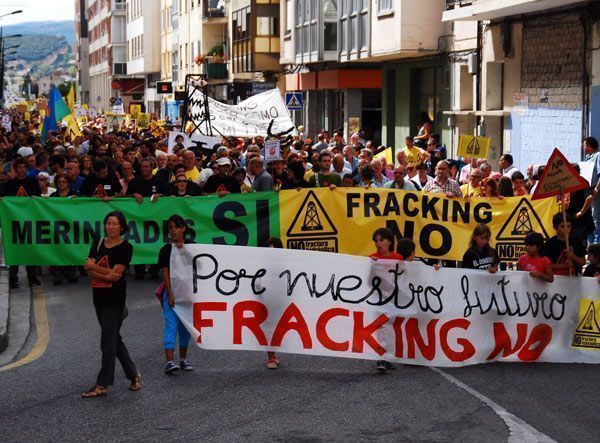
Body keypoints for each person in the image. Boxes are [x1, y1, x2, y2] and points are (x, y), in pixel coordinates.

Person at [82, 211, 140, 398]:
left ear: (122, 227)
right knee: (114, 339)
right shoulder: (98, 243)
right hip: (98, 297)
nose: (110, 226)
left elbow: (116, 276)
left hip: (115, 300)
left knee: (107, 342)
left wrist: (95, 268)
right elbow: (89, 271)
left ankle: (102, 384)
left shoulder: (126, 248)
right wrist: (104, 274)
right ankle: (133, 375)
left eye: (114, 223)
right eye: (108, 223)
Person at [158, 215, 194, 374]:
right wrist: (170, 293)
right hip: (171, 294)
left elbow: (201, 265)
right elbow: (165, 272)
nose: (172, 231)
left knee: (185, 328)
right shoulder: (165, 249)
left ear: (183, 228)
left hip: (188, 295)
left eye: (175, 227)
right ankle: (170, 361)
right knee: (171, 326)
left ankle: (183, 359)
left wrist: (185, 250)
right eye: (170, 228)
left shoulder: (193, 247)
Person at [369, 227, 403, 373]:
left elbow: (408, 275)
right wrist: (372, 266)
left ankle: (386, 358)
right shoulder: (372, 258)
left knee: (390, 327)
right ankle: (381, 358)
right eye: (376, 241)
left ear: (389, 241)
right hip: (379, 298)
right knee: (382, 326)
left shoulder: (398, 258)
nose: (378, 243)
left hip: (394, 298)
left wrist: (435, 268)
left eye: (381, 240)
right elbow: (368, 281)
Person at [265, 237, 284, 369]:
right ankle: (271, 357)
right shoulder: (262, 264)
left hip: (281, 299)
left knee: (280, 328)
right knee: (269, 328)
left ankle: (274, 354)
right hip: (266, 299)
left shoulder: (286, 263)